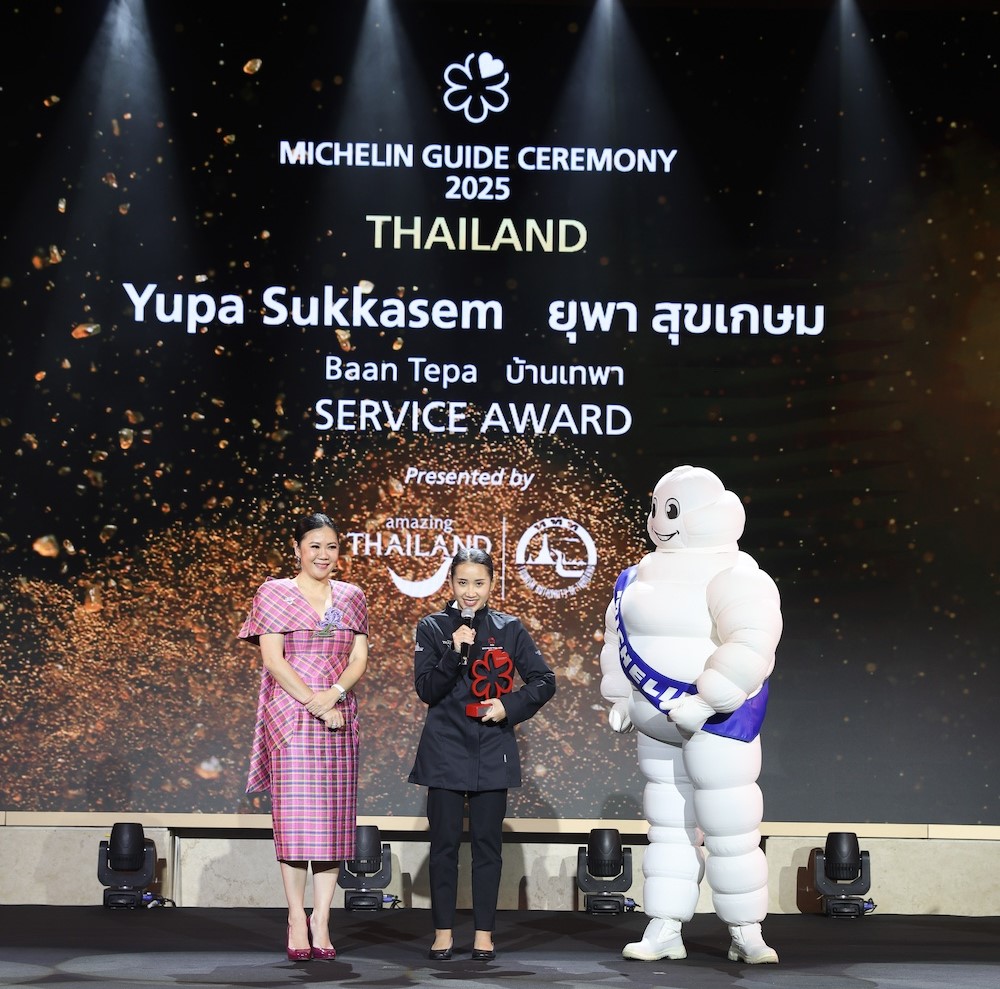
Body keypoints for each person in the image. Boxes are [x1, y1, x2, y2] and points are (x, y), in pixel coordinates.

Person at [599, 466, 783, 964]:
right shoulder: (636, 577)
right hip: (655, 720)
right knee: (667, 827)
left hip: (719, 722)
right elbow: (617, 638)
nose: (660, 520)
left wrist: (706, 701)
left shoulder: (736, 574)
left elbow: (752, 643)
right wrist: (620, 697)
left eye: (673, 510)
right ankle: (665, 925)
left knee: (730, 826)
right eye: (657, 508)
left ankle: (745, 929)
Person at [408, 547, 556, 962]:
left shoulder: (510, 628)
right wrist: (454, 651)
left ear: (492, 584)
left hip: (492, 749)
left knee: (488, 848)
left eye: (479, 583)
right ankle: (442, 933)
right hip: (445, 749)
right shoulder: (432, 627)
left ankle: (484, 935)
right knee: (443, 847)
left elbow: (544, 681)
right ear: (451, 583)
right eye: (462, 582)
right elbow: (427, 690)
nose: (470, 591)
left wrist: (508, 706)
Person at [238, 512, 369, 962]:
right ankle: (296, 916)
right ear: (297, 549)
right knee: (296, 821)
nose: (323, 554)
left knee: (333, 822)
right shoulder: (274, 592)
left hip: (339, 716)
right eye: (314, 545)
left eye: (331, 546)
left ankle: (322, 919)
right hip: (292, 716)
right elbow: (273, 660)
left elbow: (358, 657)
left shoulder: (351, 596)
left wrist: (334, 696)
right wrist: (315, 702)